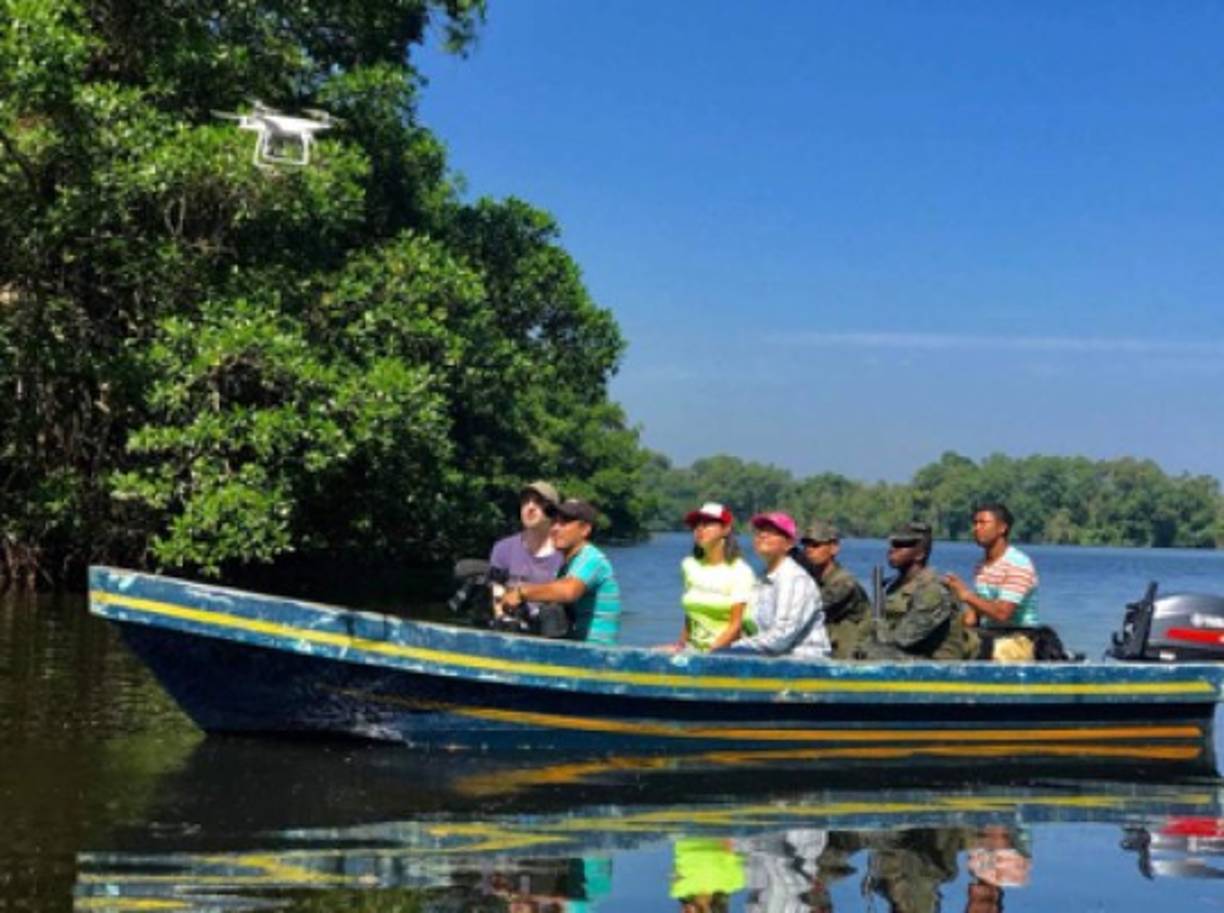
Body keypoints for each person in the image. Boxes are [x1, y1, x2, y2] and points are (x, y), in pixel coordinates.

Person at [500, 498, 622, 645]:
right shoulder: (567, 566)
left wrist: (521, 593)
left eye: (564, 523)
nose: (555, 528)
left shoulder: (592, 559)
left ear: (585, 529)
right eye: (554, 522)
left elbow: (568, 591)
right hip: (576, 649)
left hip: (596, 654)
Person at [859, 522, 977, 661]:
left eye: (901, 545)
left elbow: (902, 639)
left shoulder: (932, 591)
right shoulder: (894, 586)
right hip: (908, 656)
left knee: (872, 654)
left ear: (919, 554)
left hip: (937, 666)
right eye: (892, 544)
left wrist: (871, 639)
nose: (892, 549)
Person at [726, 512, 830, 659]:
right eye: (760, 532)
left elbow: (781, 636)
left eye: (772, 532)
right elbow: (759, 631)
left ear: (789, 544)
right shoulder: (762, 579)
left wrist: (734, 648)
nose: (763, 535)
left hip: (805, 662)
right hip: (774, 661)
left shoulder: (795, 579)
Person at [670, 502, 755, 652]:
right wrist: (680, 646)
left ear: (726, 529)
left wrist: (709, 653)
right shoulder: (689, 565)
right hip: (694, 649)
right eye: (696, 525)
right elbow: (690, 617)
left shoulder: (740, 571)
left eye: (708, 523)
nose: (700, 529)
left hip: (728, 651)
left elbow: (736, 626)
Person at [944, 503, 1040, 629]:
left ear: (1002, 528)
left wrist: (966, 594)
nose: (976, 528)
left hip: (1019, 638)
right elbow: (974, 616)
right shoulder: (982, 565)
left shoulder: (1017, 563)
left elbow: (1002, 613)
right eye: (975, 523)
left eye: (983, 523)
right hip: (991, 635)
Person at [799, 520, 871, 660]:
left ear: (833, 548)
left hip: (850, 658)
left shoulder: (844, 583)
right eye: (806, 545)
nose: (809, 549)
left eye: (815, 545)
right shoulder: (811, 580)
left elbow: (809, 610)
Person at [489, 480, 564, 596]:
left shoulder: (566, 554)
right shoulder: (503, 549)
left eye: (538, 502)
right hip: (512, 613)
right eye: (525, 502)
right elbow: (498, 600)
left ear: (553, 511)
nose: (530, 507)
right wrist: (502, 613)